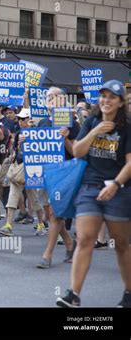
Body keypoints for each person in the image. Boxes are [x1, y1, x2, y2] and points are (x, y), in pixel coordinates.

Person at [57, 80, 131, 308]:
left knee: (121, 243)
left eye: (112, 97)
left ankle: (128, 293)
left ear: (120, 102)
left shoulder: (127, 127)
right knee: (86, 238)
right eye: (103, 96)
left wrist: (116, 184)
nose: (106, 100)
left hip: (118, 190)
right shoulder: (92, 121)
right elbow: (78, 151)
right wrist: (96, 131)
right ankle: (74, 294)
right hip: (90, 187)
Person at [36, 87, 80, 269]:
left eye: (54, 97)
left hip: (65, 173)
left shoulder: (73, 124)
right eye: (47, 97)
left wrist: (66, 139)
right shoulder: (43, 123)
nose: (50, 100)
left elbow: (77, 152)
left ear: (63, 100)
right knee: (49, 215)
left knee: (55, 213)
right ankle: (70, 244)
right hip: (46, 173)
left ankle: (47, 255)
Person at [0, 108, 47, 237]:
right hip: (18, 166)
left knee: (34, 198)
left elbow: (42, 149)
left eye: (23, 119)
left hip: (31, 169)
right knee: (13, 196)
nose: (20, 121)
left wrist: (32, 134)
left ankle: (41, 224)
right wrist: (18, 144)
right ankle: (8, 225)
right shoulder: (19, 133)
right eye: (19, 118)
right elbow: (15, 151)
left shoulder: (38, 133)